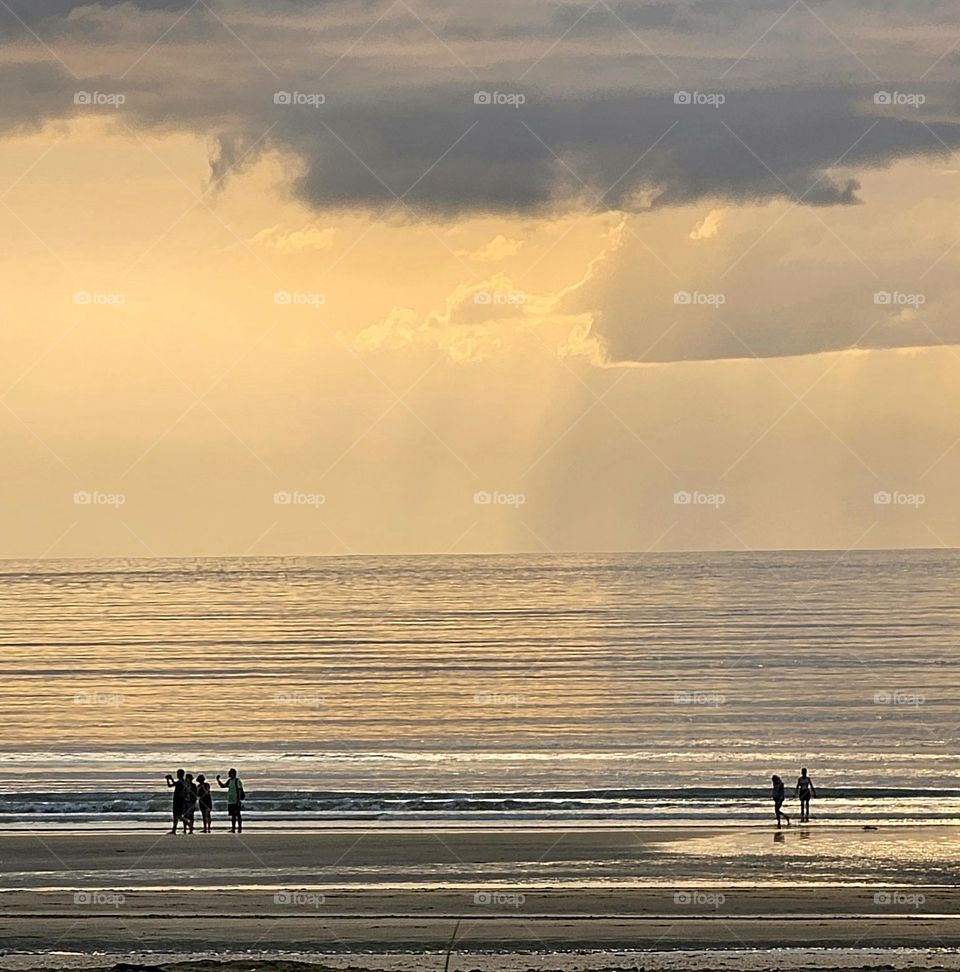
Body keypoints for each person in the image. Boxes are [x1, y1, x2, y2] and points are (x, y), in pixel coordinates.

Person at [217, 768, 246, 833]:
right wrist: (218, 780)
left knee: (238, 815)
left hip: (236, 800)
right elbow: (223, 786)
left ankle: (239, 828)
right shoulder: (230, 781)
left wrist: (238, 801)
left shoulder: (237, 781)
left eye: (229, 773)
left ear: (232, 774)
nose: (228, 774)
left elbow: (239, 791)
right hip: (231, 800)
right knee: (233, 815)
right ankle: (233, 828)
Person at [165, 768, 186, 835]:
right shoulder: (182, 782)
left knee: (177, 815)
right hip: (179, 800)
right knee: (176, 815)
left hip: (178, 800)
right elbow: (170, 785)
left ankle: (188, 825)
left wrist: (170, 779)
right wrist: (168, 780)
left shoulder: (181, 782)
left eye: (177, 774)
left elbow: (173, 784)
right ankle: (174, 830)